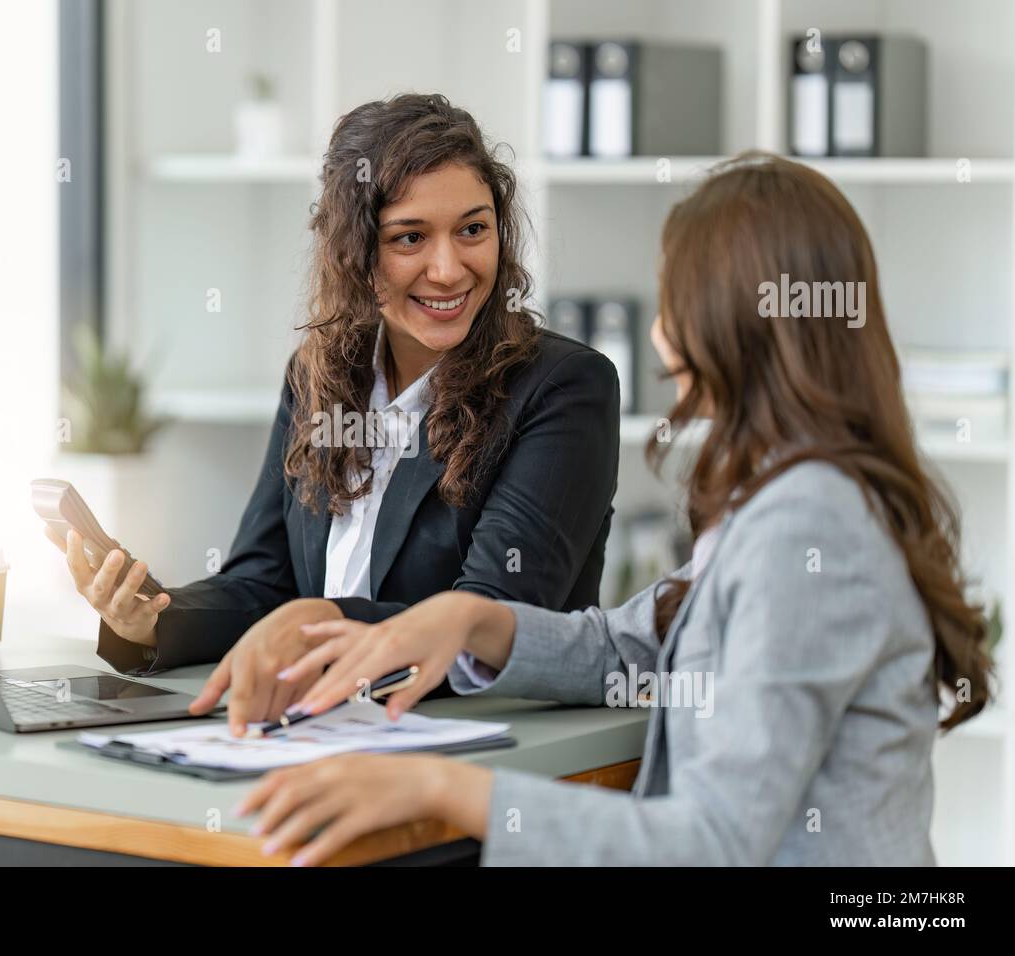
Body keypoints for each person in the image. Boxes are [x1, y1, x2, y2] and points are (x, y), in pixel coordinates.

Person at [236, 152, 994, 866]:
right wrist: (472, 622)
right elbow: (641, 650)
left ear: (739, 323)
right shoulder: (783, 496)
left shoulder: (810, 524)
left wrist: (442, 788)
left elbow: (712, 842)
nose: (660, 339)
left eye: (674, 304)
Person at [45, 93, 620, 733]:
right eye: (409, 237)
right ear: (355, 254)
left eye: (472, 229)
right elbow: (264, 585)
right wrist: (153, 617)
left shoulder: (564, 386)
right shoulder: (318, 375)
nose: (449, 268)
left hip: (482, 743)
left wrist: (319, 621)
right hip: (324, 724)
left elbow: (489, 617)